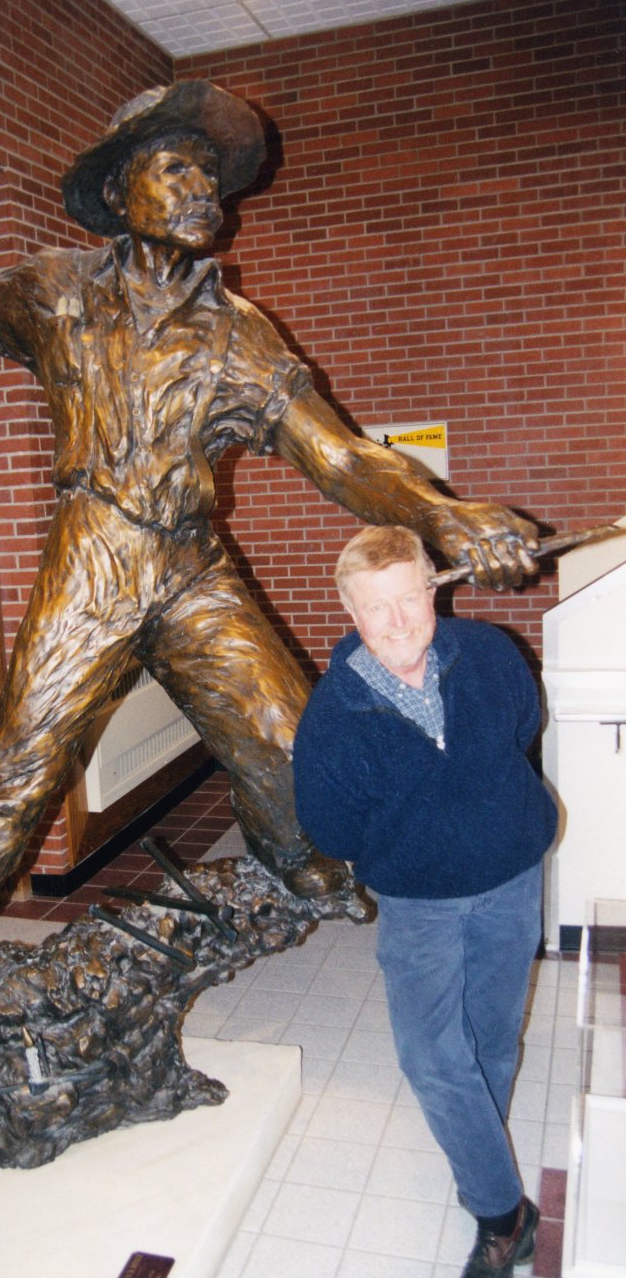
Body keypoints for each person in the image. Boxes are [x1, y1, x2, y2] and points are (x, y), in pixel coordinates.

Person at [0, 81, 541, 1056]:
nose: (201, 191)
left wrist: (441, 512)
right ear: (120, 187)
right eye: (175, 166)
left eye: (211, 178)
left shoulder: (239, 334)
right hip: (95, 549)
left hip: (191, 561)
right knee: (19, 768)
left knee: (288, 737)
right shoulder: (52, 289)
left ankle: (300, 859)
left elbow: (341, 457)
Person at [293, 525, 557, 1278]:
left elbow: (523, 728)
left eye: (410, 597)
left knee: (495, 1035)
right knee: (433, 1056)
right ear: (351, 610)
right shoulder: (333, 718)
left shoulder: (491, 653)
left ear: (434, 587)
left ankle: (477, 1152)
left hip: (513, 876)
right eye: (378, 608)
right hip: (419, 905)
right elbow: (331, 827)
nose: (399, 620)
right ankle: (505, 1215)